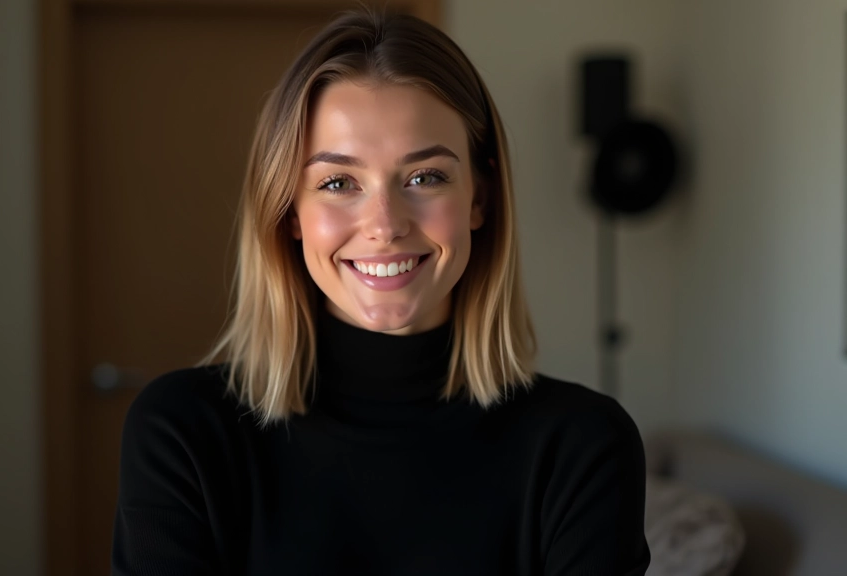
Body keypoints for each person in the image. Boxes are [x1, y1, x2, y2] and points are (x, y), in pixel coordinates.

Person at [112, 9, 650, 576]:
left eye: (425, 177)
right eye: (338, 183)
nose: (385, 224)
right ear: (290, 210)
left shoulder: (583, 446)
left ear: (479, 199)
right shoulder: (184, 433)